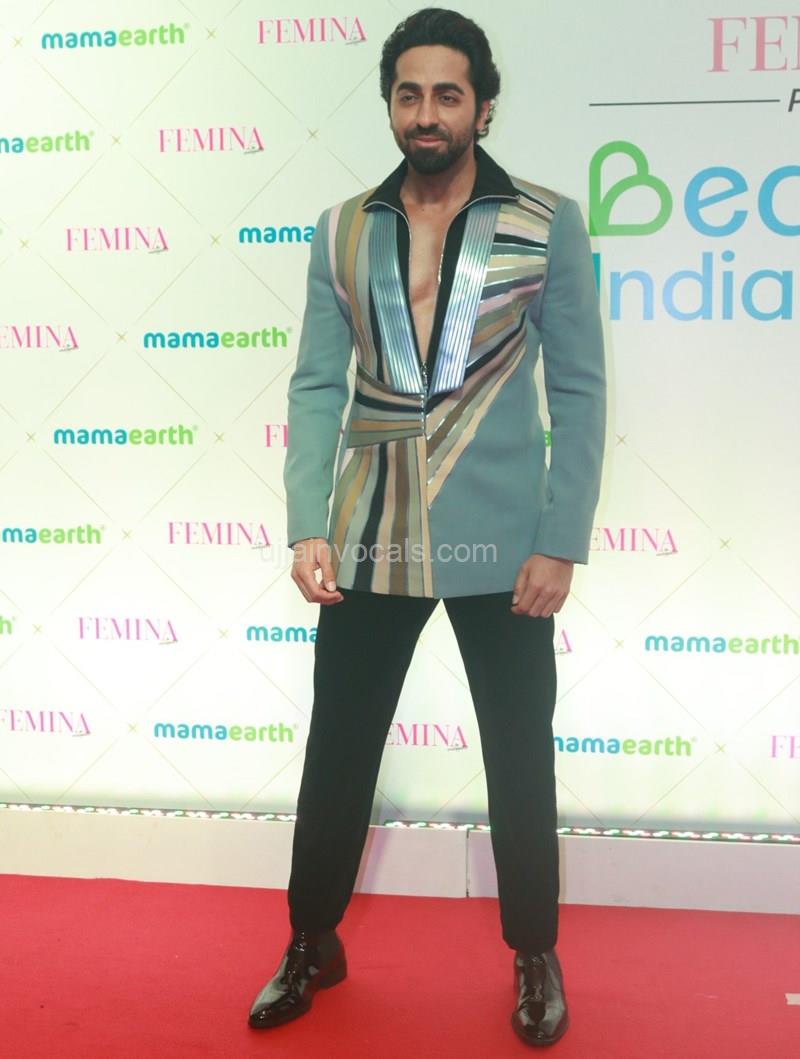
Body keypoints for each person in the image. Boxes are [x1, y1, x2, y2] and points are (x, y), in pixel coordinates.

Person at [247, 7, 605, 1048]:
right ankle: (311, 940)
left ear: (482, 106)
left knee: (518, 755)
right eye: (409, 94)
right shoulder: (341, 229)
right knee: (339, 749)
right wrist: (306, 522)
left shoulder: (547, 221)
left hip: (506, 541)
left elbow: (579, 391)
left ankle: (533, 952)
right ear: (390, 105)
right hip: (370, 529)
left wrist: (560, 538)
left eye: (448, 93)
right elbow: (317, 384)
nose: (426, 113)